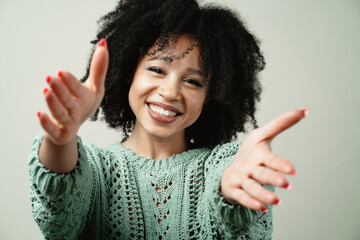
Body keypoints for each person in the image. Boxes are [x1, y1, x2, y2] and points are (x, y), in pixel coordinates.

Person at [29, 0, 310, 239]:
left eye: (192, 81)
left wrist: (233, 196)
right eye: (157, 69)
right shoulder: (94, 168)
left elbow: (235, 213)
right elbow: (60, 217)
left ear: (210, 96)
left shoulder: (224, 165)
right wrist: (59, 141)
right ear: (130, 73)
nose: (170, 92)